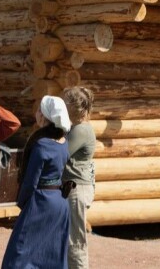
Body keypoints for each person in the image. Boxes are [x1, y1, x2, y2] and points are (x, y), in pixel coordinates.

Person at [1, 95, 72, 269]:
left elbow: (31, 181)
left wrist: (24, 204)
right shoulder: (63, 142)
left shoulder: (42, 144)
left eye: (40, 110)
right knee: (51, 256)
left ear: (45, 116)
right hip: (59, 203)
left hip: (41, 202)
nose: (37, 113)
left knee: (18, 256)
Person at [61, 86, 96, 269]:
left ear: (74, 107)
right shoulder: (76, 127)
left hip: (77, 189)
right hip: (76, 187)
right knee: (70, 239)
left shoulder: (81, 130)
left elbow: (62, 153)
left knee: (75, 241)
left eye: (65, 102)